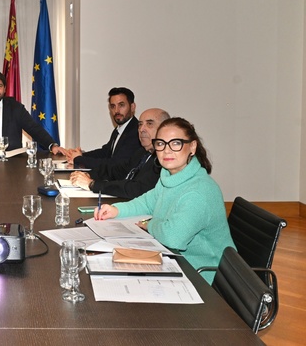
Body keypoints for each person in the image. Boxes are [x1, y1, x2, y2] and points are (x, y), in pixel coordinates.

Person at [94, 117, 235, 284]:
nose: (167, 150)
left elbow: (173, 237)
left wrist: (149, 224)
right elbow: (147, 202)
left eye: (175, 143)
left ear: (192, 146)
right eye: (161, 143)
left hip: (204, 278)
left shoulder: (199, 191)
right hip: (176, 262)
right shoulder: (169, 176)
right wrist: (116, 210)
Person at [69, 108, 169, 199]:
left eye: (149, 124)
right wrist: (88, 175)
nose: (142, 129)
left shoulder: (163, 159)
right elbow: (116, 170)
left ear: (164, 129)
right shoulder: (141, 152)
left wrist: (92, 184)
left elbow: (136, 189)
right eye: (140, 124)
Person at [65, 87, 141, 169]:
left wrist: (79, 159)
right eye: (113, 106)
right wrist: (81, 155)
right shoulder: (119, 129)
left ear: (132, 107)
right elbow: (105, 152)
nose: (117, 111)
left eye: (121, 105)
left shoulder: (136, 132)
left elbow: (115, 164)